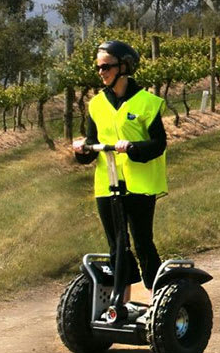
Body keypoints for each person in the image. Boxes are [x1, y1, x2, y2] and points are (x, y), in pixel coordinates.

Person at [72, 40, 168, 308]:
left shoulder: (147, 102)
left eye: (106, 67)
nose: (101, 73)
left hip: (139, 184)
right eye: (98, 68)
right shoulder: (96, 105)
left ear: (124, 66)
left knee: (142, 243)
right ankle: (120, 304)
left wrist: (134, 148)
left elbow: (158, 144)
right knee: (117, 246)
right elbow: (93, 144)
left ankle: (159, 302)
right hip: (107, 183)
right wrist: (82, 150)